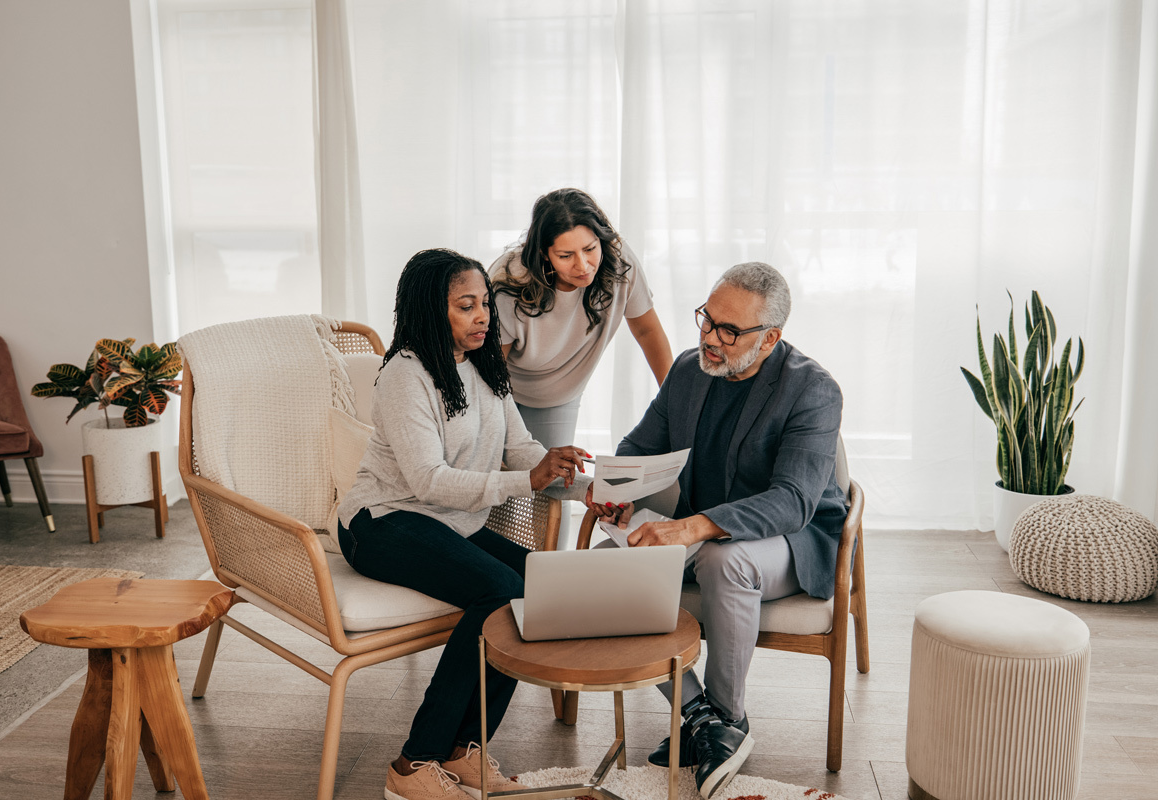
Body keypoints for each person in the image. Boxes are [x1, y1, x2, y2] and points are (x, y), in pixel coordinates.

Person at [586, 262, 847, 800]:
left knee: (722, 559)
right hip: (703, 530)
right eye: (707, 319)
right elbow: (641, 449)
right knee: (612, 559)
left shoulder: (813, 391)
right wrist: (616, 491)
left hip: (791, 541)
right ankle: (704, 720)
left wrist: (695, 528)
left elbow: (793, 500)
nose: (710, 338)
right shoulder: (688, 370)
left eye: (729, 331)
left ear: (770, 338)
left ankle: (729, 715)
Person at [336, 248, 590, 800]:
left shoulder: (485, 368)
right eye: (465, 306)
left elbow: (522, 448)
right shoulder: (405, 376)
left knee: (541, 592)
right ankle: (413, 764)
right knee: (501, 591)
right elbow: (428, 480)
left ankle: (463, 749)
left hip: (453, 524)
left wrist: (591, 489)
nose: (482, 317)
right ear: (433, 309)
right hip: (382, 521)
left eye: (483, 305)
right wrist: (527, 482)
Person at [490, 188, 674, 451]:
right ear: (544, 253)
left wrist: (673, 403)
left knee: (549, 485)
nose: (583, 266)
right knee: (500, 476)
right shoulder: (510, 282)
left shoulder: (620, 264)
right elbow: (491, 369)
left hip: (558, 395)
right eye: (565, 256)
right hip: (499, 387)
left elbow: (647, 331)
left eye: (590, 249)